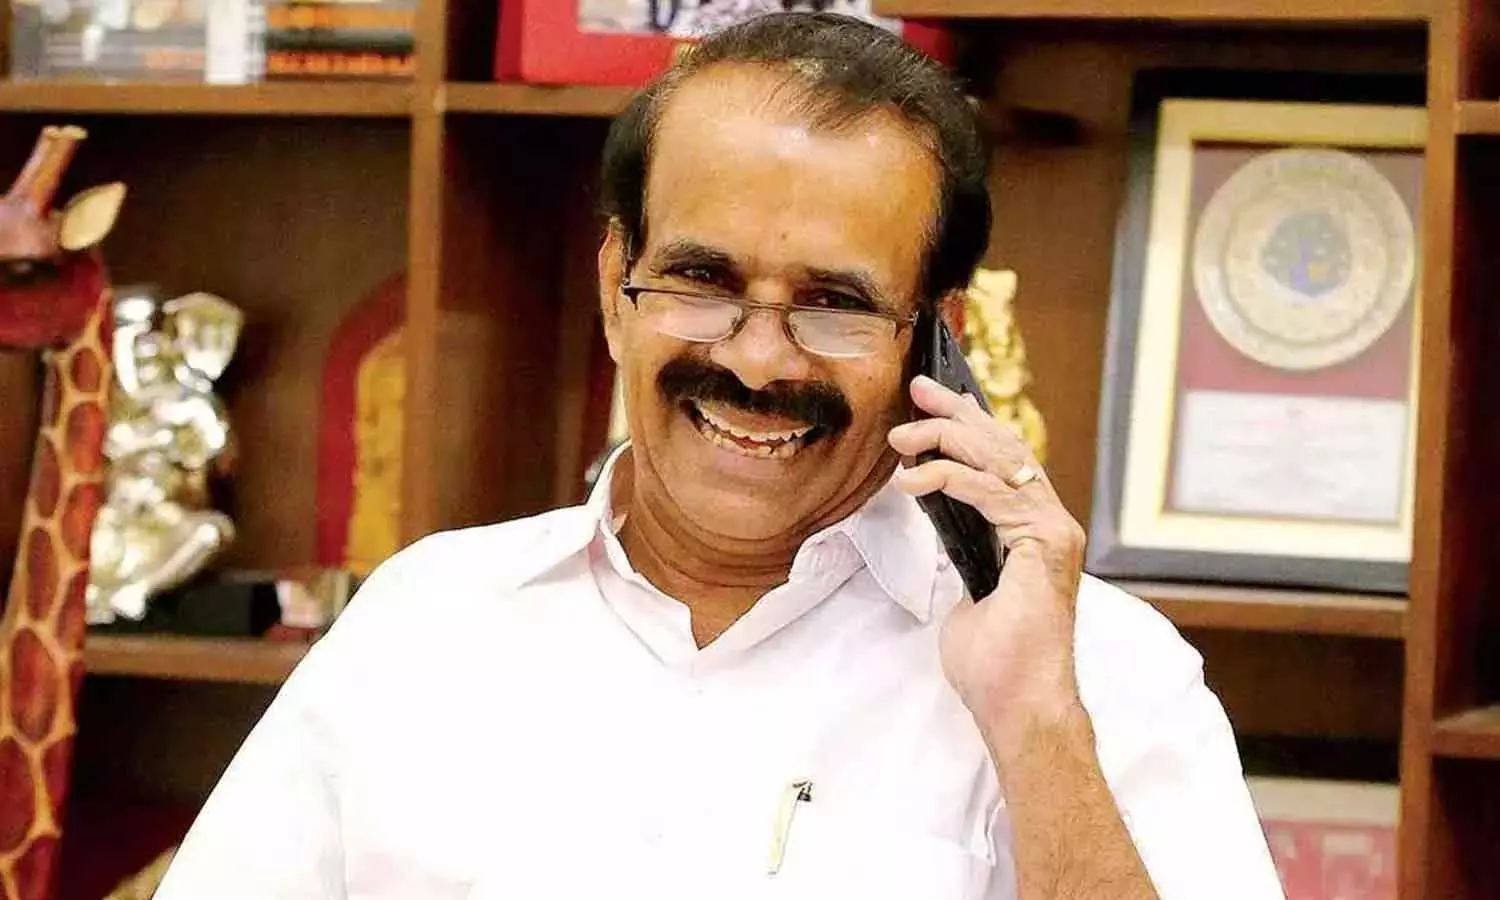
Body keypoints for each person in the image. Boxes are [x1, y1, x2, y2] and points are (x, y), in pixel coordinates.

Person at [152, 13, 1284, 900]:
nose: (755, 358)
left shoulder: (1096, 673)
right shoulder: (426, 621)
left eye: (834, 303)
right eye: (701, 281)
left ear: (935, 337)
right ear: (616, 287)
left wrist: (1038, 726)